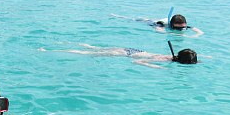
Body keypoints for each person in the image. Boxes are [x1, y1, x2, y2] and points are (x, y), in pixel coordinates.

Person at [41, 43, 198, 69]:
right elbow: (139, 62)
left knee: (94, 49)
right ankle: (49, 51)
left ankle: (86, 44)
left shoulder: (171, 57)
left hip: (133, 50)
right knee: (87, 54)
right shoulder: (163, 59)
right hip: (126, 55)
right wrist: (154, 66)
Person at [111, 12, 203, 37]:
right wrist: (174, 34)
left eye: (182, 27)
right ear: (172, 25)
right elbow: (160, 32)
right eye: (178, 28)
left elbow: (199, 31)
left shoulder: (183, 25)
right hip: (152, 23)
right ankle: (118, 16)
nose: (181, 29)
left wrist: (195, 36)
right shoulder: (162, 25)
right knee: (133, 20)